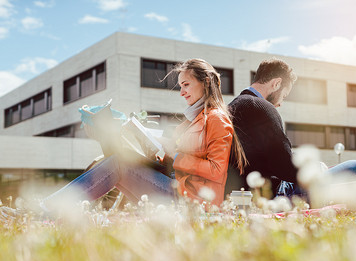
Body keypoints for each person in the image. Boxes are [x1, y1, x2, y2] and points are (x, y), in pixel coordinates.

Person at [43, 58, 246, 212]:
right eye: (180, 85)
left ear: (206, 82)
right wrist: (155, 147)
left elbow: (217, 169)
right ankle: (52, 209)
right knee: (117, 160)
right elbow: (180, 156)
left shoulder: (217, 119)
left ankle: (50, 209)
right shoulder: (193, 120)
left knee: (118, 166)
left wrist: (175, 158)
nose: (182, 91)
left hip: (194, 200)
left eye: (186, 84)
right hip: (178, 187)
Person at [225, 58, 356, 202]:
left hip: (247, 194)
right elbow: (288, 169)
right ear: (276, 83)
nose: (280, 103)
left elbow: (267, 156)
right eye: (284, 96)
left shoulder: (232, 107)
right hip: (277, 195)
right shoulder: (262, 108)